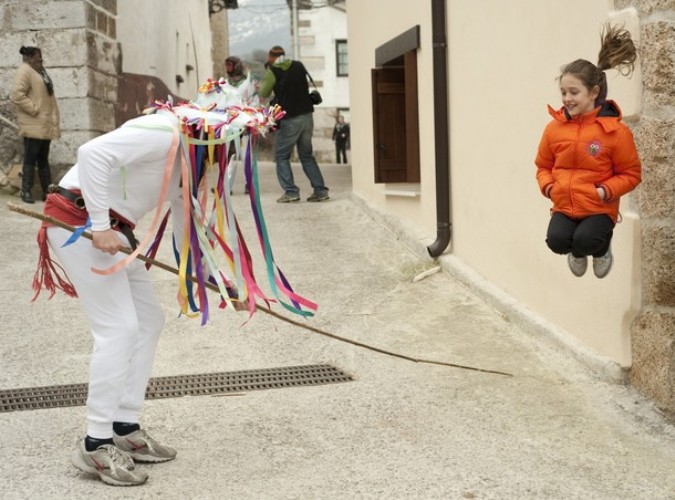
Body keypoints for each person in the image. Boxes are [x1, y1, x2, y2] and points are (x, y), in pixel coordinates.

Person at [31, 86, 310, 486]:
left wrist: (217, 279)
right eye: (236, 139)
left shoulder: (196, 160)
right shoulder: (164, 131)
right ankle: (94, 444)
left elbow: (186, 222)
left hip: (114, 232)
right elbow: (91, 154)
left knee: (149, 321)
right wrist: (99, 225)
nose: (235, 152)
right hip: (78, 224)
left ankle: (125, 428)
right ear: (216, 128)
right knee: (119, 329)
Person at [535, 25, 642, 279]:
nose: (566, 99)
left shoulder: (616, 132)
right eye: (563, 92)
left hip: (598, 206)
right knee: (556, 242)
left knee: (586, 240)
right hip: (565, 204)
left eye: (574, 92)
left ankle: (602, 249)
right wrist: (550, 187)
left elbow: (631, 174)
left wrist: (604, 191)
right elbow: (542, 166)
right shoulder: (554, 129)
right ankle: (577, 250)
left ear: (594, 93)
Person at [258, 45, 330, 203]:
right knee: (306, 155)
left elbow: (263, 94)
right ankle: (320, 190)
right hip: (307, 116)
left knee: (282, 156)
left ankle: (291, 192)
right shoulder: (298, 65)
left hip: (290, 118)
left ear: (271, 58)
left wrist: (262, 86)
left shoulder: (273, 71)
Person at [10, 46, 61, 204]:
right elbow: (17, 95)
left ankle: (48, 193)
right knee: (31, 159)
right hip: (34, 123)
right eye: (39, 56)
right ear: (30, 57)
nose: (41, 59)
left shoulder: (39, 71)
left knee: (43, 159)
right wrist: (34, 109)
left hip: (44, 123)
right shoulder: (24, 71)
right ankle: (26, 191)